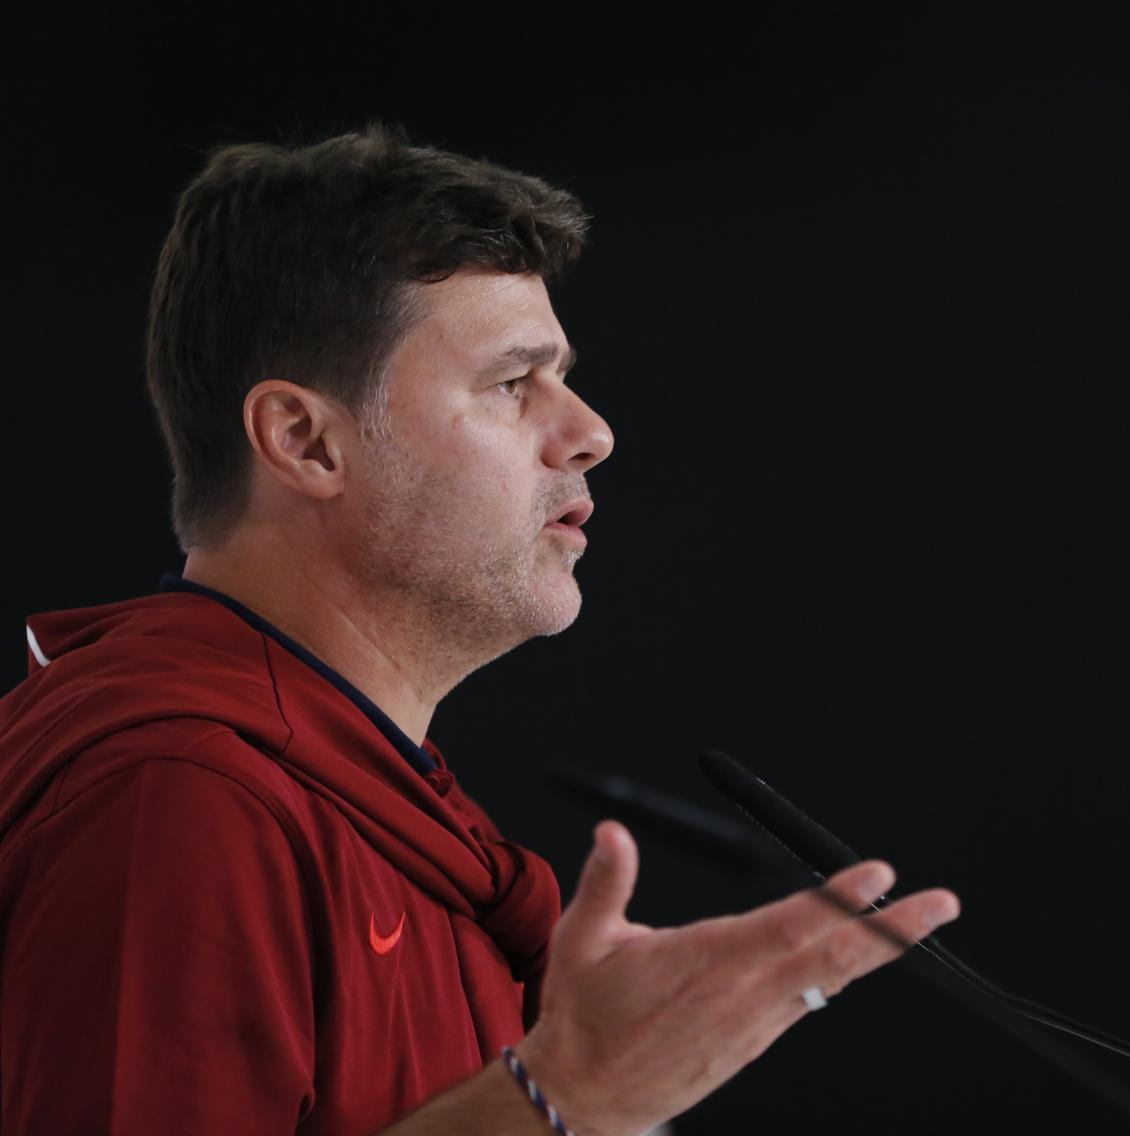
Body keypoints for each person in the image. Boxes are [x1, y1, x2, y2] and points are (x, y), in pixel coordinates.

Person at [0, 126, 960, 1134]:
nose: (591, 429)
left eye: (563, 373)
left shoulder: (384, 809)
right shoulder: (180, 797)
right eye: (513, 381)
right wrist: (570, 1097)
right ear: (305, 440)